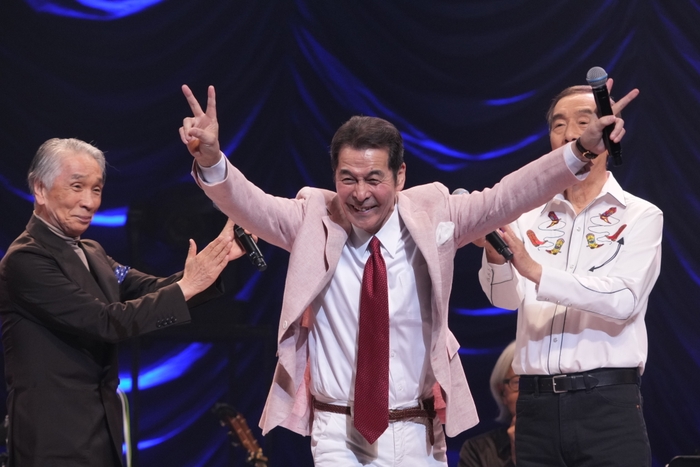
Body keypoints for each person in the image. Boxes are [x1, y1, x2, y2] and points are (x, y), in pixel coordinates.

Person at [178, 80, 635, 466]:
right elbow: (249, 204)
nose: (360, 193)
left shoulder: (436, 213)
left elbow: (508, 196)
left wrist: (580, 150)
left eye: (374, 179)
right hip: (338, 431)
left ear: (400, 176)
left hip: (417, 430)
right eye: (347, 178)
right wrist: (212, 160)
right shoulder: (311, 218)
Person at [0, 138, 245, 467]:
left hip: (101, 433)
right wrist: (188, 285)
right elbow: (105, 321)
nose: (89, 202)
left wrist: (214, 264)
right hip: (52, 439)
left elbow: (149, 290)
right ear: (40, 189)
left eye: (97, 189)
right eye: (77, 187)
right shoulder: (26, 260)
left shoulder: (93, 252)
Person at [477, 84, 662, 467]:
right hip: (534, 407)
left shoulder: (640, 215)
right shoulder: (527, 214)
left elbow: (623, 300)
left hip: (607, 405)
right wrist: (496, 259)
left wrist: (535, 270)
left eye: (583, 122)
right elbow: (505, 300)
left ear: (609, 132)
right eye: (559, 124)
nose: (569, 134)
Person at [458, 341, 517, 467]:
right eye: (517, 383)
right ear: (502, 392)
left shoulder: (562, 443)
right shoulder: (477, 451)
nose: (528, 394)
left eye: (538, 384)